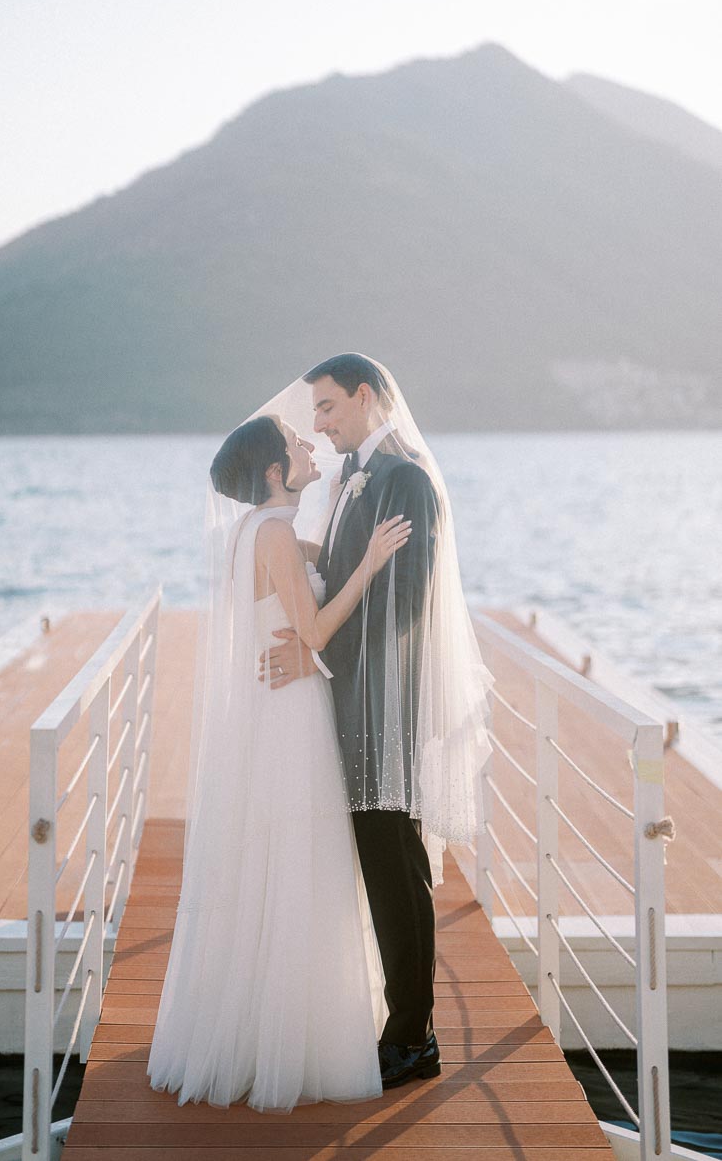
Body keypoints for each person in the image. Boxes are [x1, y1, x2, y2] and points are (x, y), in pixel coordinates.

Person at [147, 413, 411, 1111]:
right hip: (292, 718)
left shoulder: (253, 533)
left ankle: (263, 1027)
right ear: (274, 472)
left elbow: (300, 577)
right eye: (296, 445)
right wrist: (373, 564)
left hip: (271, 713)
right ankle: (295, 1044)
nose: (309, 444)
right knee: (300, 868)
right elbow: (316, 630)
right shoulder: (272, 535)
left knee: (268, 867)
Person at [255, 354, 492, 1089]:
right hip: (355, 700)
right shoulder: (361, 477)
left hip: (382, 708)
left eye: (325, 409)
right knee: (383, 866)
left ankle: (412, 1037)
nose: (318, 426)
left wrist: (314, 655)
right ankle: (399, 1026)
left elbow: (406, 610)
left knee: (397, 870)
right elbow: (348, 574)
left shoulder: (406, 479)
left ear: (364, 396)